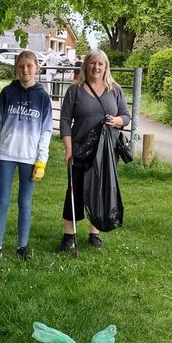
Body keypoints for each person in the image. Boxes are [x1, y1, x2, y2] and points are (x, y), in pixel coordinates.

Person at [58, 49, 130, 251]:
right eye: (92, 63)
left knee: (101, 189)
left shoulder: (115, 89)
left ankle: (94, 231)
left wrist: (117, 121)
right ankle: (69, 234)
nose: (96, 67)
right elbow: (65, 120)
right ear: (86, 66)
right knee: (75, 190)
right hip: (80, 148)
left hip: (106, 150)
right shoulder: (75, 90)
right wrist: (68, 148)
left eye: (100, 64)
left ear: (106, 67)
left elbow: (125, 115)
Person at [0, 50, 53, 261]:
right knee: (3, 201)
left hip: (30, 157)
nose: (25, 70)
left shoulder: (43, 97)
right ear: (16, 68)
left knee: (25, 203)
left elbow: (46, 131)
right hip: (5, 155)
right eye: (21, 66)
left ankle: (22, 247)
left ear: (37, 68)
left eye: (29, 66)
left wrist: (41, 160)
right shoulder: (7, 92)